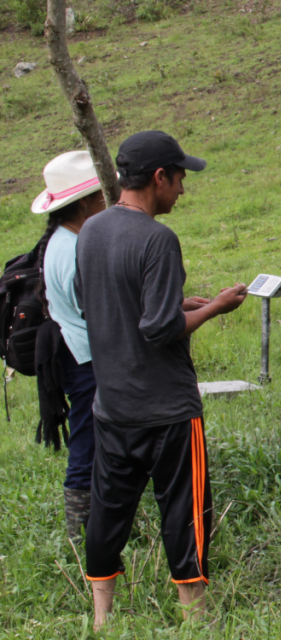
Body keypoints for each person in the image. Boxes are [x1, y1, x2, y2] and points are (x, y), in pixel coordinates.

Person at [75, 131, 248, 628]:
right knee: (185, 513)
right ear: (158, 178)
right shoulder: (157, 239)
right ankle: (196, 620)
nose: (183, 190)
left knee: (108, 510)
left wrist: (178, 302)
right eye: (180, 179)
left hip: (112, 406)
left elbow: (110, 303)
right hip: (168, 410)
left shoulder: (92, 230)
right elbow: (157, 329)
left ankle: (102, 619)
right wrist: (215, 307)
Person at [29, 151, 106, 540]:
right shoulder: (74, 250)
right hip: (84, 358)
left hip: (74, 349)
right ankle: (80, 534)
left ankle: (100, 521)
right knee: (87, 440)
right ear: (85, 204)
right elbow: (97, 312)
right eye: (99, 196)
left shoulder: (64, 238)